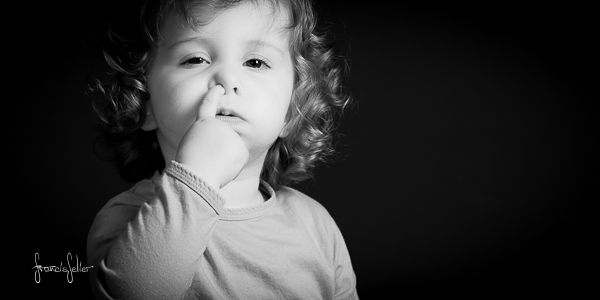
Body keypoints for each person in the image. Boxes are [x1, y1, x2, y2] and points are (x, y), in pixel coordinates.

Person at [86, 0, 358, 299]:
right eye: (195, 59)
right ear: (144, 104)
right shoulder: (125, 217)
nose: (227, 78)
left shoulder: (315, 225)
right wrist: (197, 176)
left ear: (291, 113)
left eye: (256, 62)